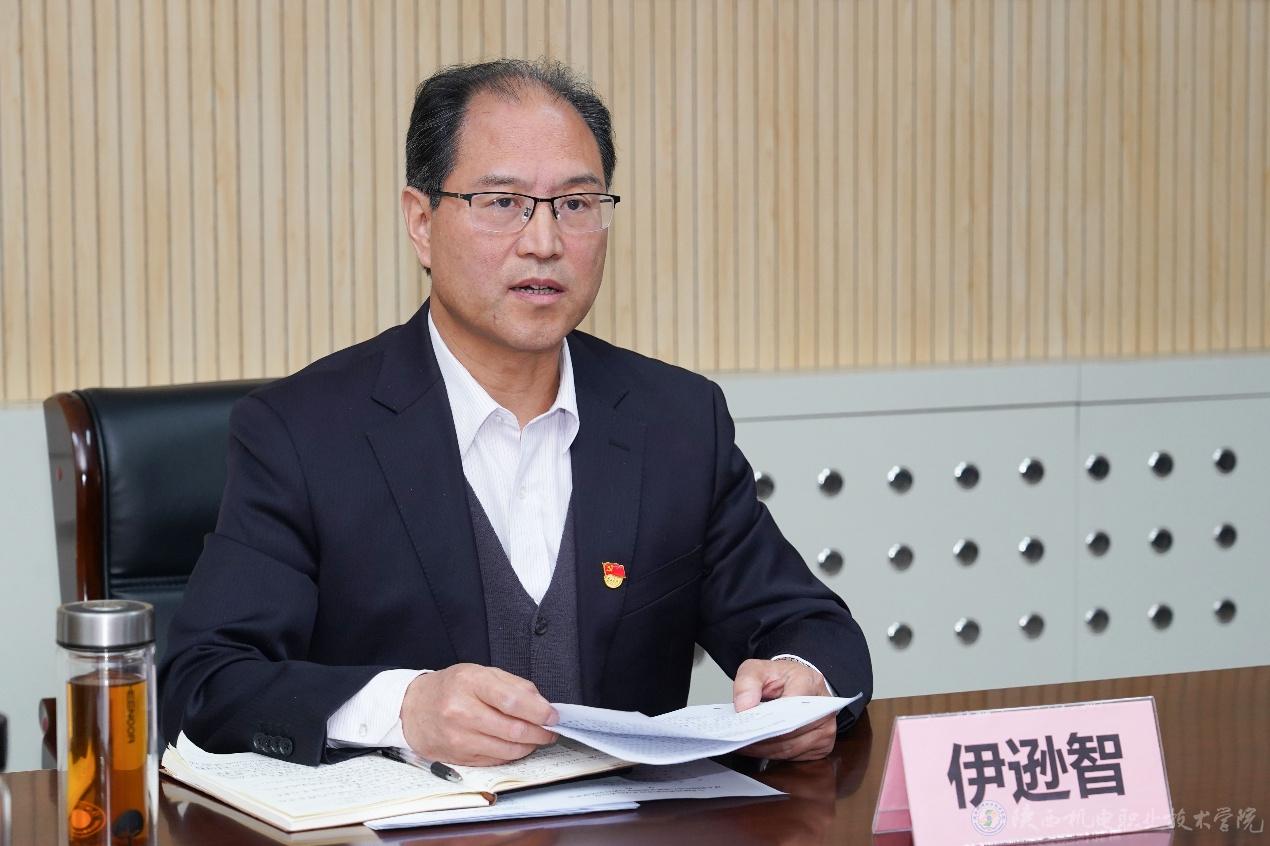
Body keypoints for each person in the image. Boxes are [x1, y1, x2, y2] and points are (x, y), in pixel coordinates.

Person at [158, 58, 872, 769]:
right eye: (502, 202)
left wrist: (800, 682)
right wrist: (403, 709)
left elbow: (814, 629)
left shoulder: (676, 421)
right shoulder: (303, 432)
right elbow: (203, 682)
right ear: (421, 222)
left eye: (576, 204)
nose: (544, 242)